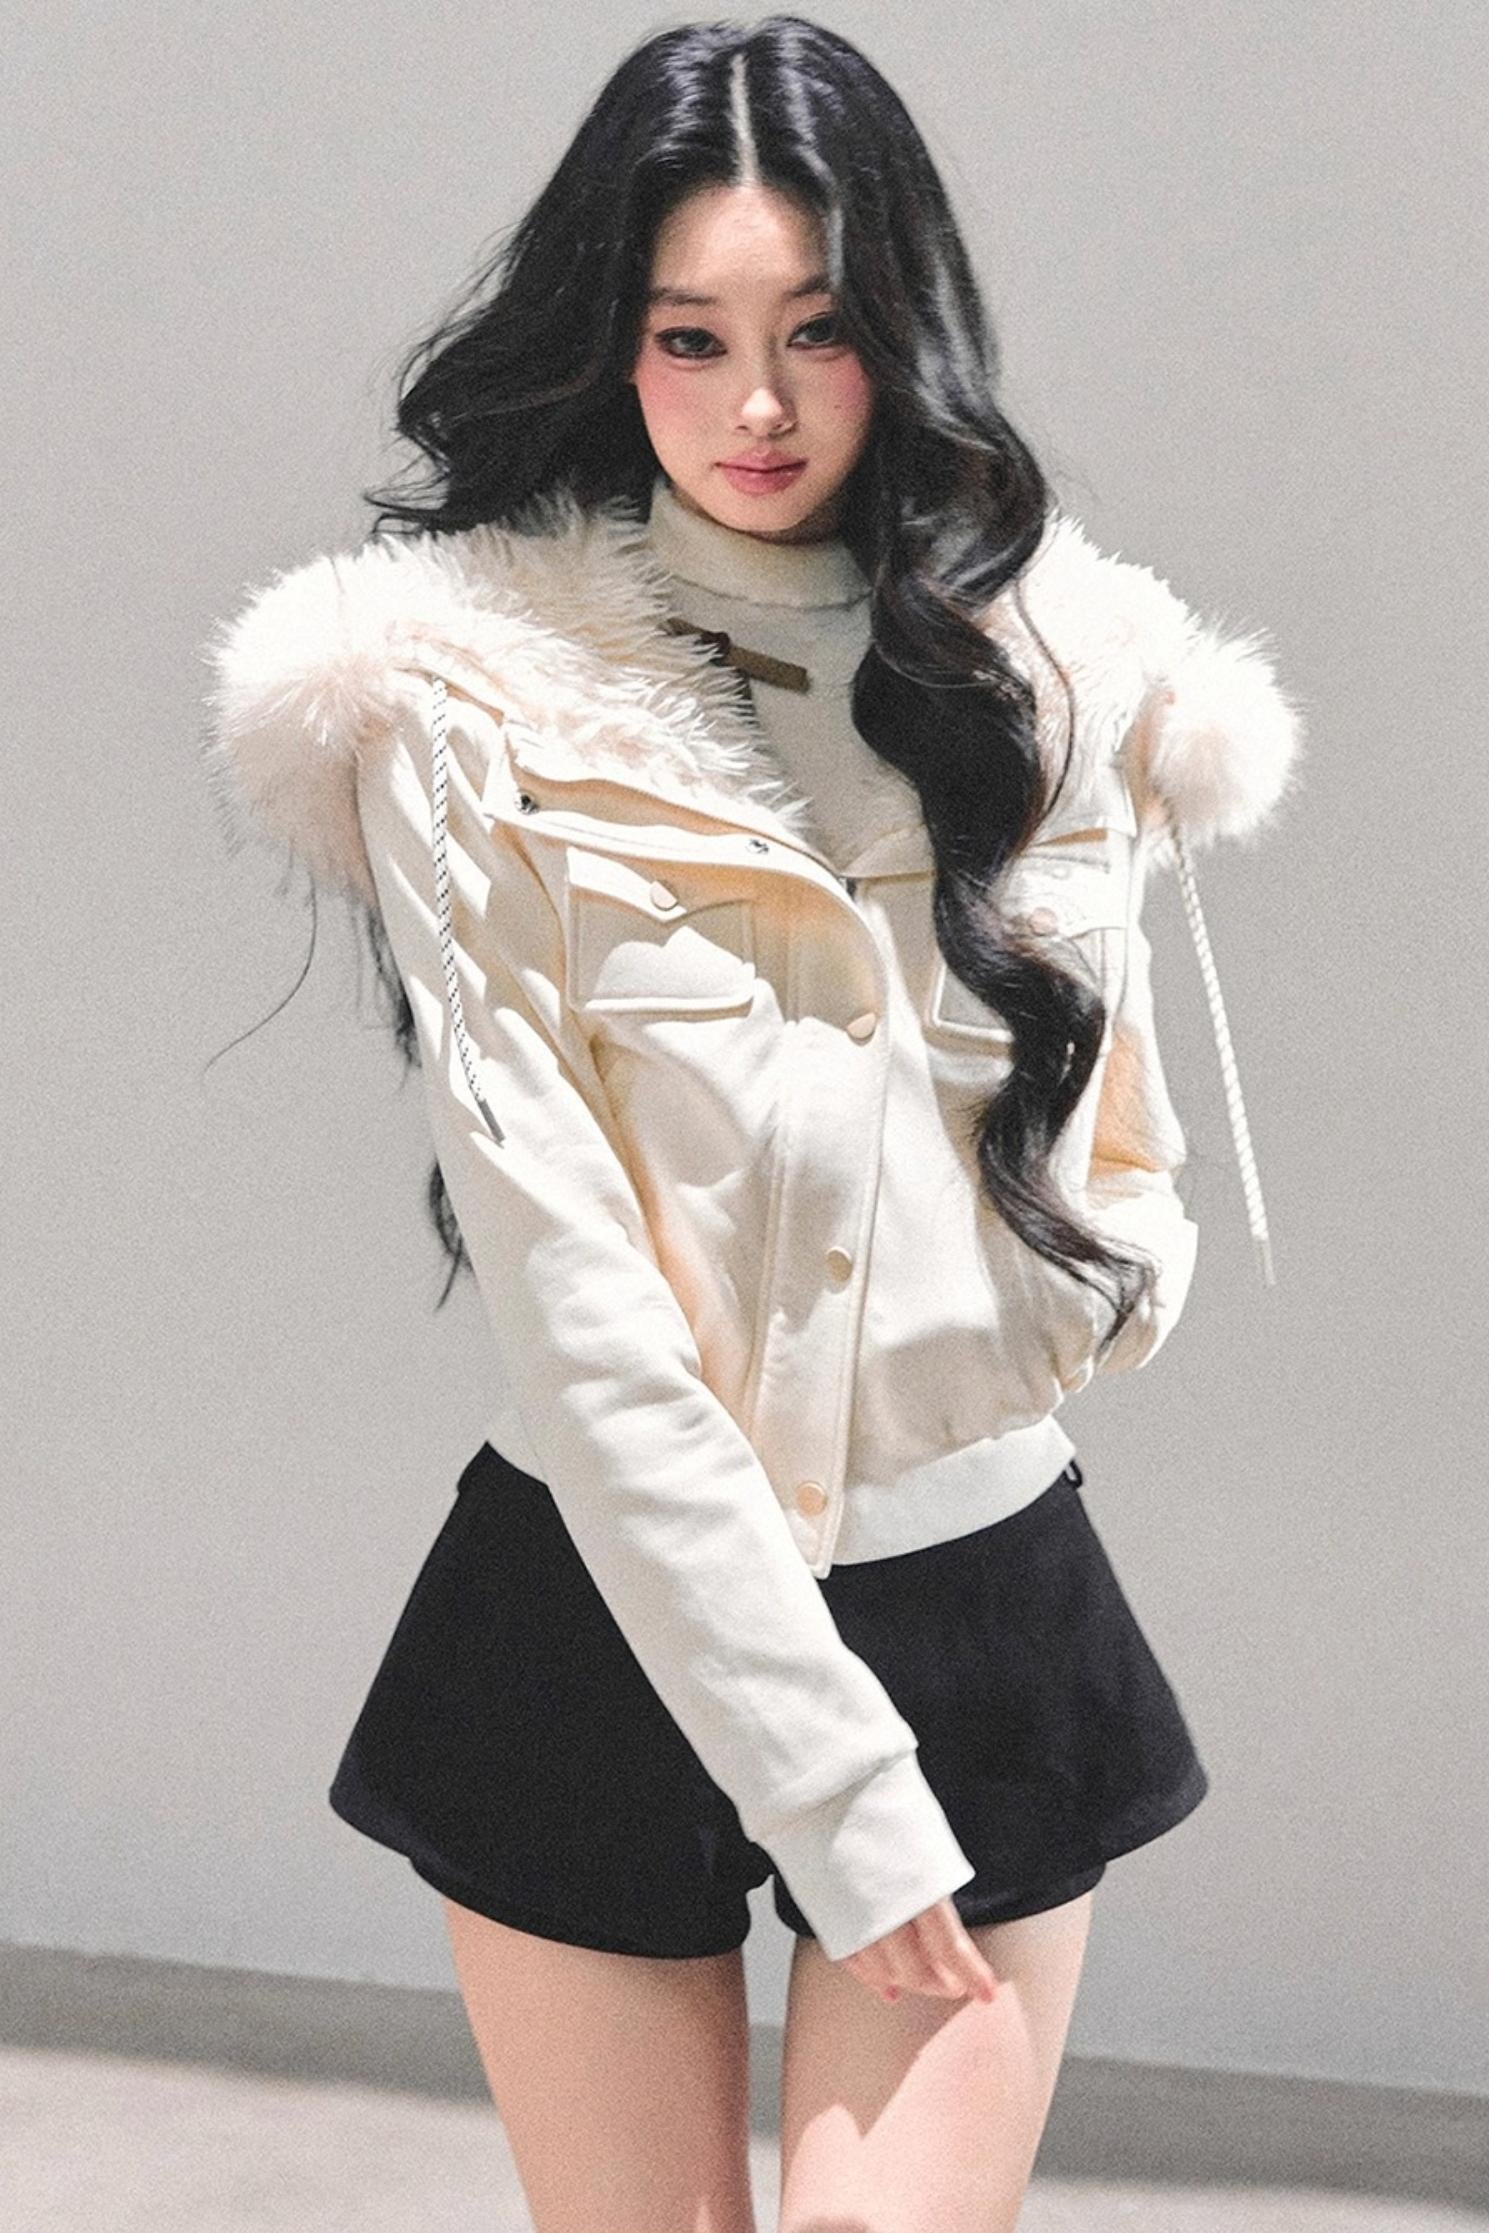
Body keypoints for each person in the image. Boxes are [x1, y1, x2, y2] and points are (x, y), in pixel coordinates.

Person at [200, 15, 1305, 2228]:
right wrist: (832, 1787)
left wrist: (1087, 1293)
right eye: (688, 338)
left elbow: (1120, 1125)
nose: (761, 408)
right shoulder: (464, 704)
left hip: (970, 1597)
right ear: (606, 344)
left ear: (902, 323)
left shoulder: (1065, 669)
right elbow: (575, 1304)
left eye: (818, 329)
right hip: (601, 1601)